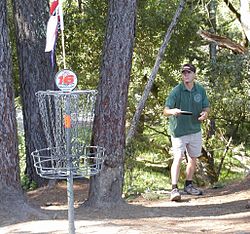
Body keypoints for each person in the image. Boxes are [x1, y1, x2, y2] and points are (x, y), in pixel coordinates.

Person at [163, 63, 210, 201]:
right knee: (178, 157)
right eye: (184, 73)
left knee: (193, 158)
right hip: (179, 131)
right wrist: (173, 111)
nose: (186, 75)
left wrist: (205, 114)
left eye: (189, 72)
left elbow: (206, 107)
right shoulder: (176, 91)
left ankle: (188, 185)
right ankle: (174, 189)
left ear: (194, 74)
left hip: (195, 129)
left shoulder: (200, 90)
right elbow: (165, 110)